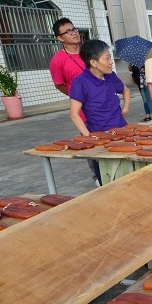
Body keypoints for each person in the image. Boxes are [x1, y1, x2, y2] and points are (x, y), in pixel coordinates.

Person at [68, 39, 130, 186]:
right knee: (109, 184)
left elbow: (126, 90)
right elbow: (74, 114)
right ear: (93, 62)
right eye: (107, 58)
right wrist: (90, 138)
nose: (111, 62)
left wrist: (125, 108)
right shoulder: (81, 82)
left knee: (130, 179)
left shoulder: (111, 76)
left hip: (123, 134)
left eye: (110, 57)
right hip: (101, 139)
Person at [49, 17, 100, 186]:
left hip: (105, 105)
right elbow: (59, 84)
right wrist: (77, 96)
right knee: (92, 143)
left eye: (74, 29)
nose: (74, 33)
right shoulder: (58, 60)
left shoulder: (90, 51)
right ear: (60, 38)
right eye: (68, 31)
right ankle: (98, 178)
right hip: (85, 112)